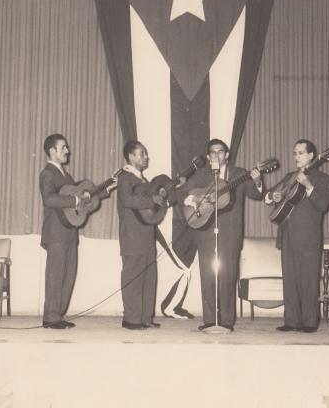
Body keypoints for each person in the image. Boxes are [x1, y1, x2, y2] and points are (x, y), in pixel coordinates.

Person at [178, 139, 263, 331]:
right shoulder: (200, 176)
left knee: (227, 275)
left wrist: (257, 181)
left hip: (230, 233)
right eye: (213, 152)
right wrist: (194, 199)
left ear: (227, 155)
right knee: (208, 275)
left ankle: (226, 321)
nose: (216, 155)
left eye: (220, 151)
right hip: (205, 230)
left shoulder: (240, 174)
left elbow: (256, 194)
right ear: (208, 157)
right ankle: (209, 319)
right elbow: (181, 193)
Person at [39, 133, 115, 329]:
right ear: (52, 151)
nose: (67, 151)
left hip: (69, 232)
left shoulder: (67, 176)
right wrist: (74, 200)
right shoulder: (47, 173)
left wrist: (104, 191)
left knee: (68, 275)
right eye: (63, 147)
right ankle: (50, 317)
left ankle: (58, 315)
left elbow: (82, 202)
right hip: (56, 233)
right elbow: (49, 199)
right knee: (56, 275)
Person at [265, 139, 329, 333]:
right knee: (290, 279)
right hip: (287, 234)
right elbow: (269, 195)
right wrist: (274, 197)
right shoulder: (289, 176)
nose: (296, 156)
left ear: (312, 156)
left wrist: (308, 185)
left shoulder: (324, 180)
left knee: (309, 279)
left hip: (309, 236)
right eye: (295, 153)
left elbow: (322, 205)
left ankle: (310, 322)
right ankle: (291, 321)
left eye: (301, 153)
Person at [116, 141, 167, 330]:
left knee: (149, 278)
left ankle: (145, 318)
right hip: (132, 237)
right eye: (142, 154)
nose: (146, 157)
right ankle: (131, 319)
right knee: (133, 278)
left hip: (146, 238)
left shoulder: (143, 180)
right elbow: (127, 200)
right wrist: (153, 199)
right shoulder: (125, 178)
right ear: (130, 157)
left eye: (145, 154)